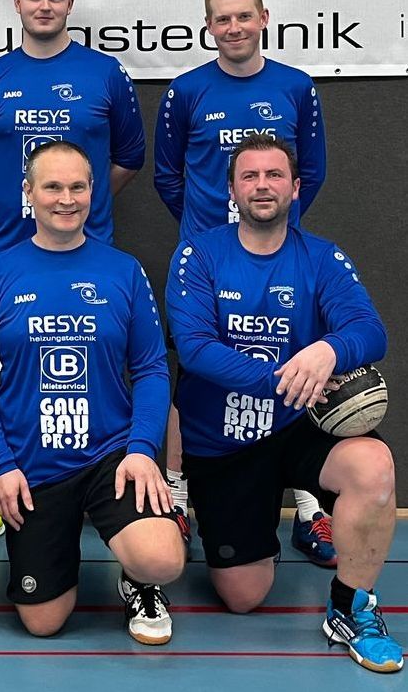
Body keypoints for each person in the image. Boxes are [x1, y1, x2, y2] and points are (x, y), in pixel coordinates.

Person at [166, 134, 402, 673]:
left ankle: (352, 608)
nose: (262, 186)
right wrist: (287, 377)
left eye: (274, 175)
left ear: (296, 188)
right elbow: (196, 349)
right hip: (224, 441)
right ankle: (256, 529)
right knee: (243, 595)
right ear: (231, 190)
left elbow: (370, 331)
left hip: (298, 427)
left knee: (374, 466)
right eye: (249, 176)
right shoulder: (199, 255)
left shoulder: (322, 258)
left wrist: (329, 349)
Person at [0, 0, 145, 552]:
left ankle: (101, 487)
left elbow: (129, 158)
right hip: (7, 252)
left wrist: (72, 207)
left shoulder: (105, 73)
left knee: (97, 362)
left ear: (69, 4)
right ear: (16, 3)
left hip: (91, 252)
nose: (44, 5)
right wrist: (21, 209)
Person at [0, 141, 184, 645]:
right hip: (32, 466)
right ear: (28, 192)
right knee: (43, 622)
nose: (66, 199)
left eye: (78, 187)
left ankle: (138, 579)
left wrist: (142, 450)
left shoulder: (123, 270)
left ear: (92, 192)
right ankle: (57, 554)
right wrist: (1, 465)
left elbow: (151, 368)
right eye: (53, 187)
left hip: (111, 457)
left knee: (163, 559)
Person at [154, 0, 330, 564]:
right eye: (222, 19)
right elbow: (168, 177)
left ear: (264, 18)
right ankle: (178, 492)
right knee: (193, 368)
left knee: (297, 361)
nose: (233, 27)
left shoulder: (296, 86)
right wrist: (212, 237)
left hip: (280, 255)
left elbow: (312, 172)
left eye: (243, 16)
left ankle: (308, 503)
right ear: (209, 26)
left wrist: (271, 226)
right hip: (207, 260)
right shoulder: (186, 91)